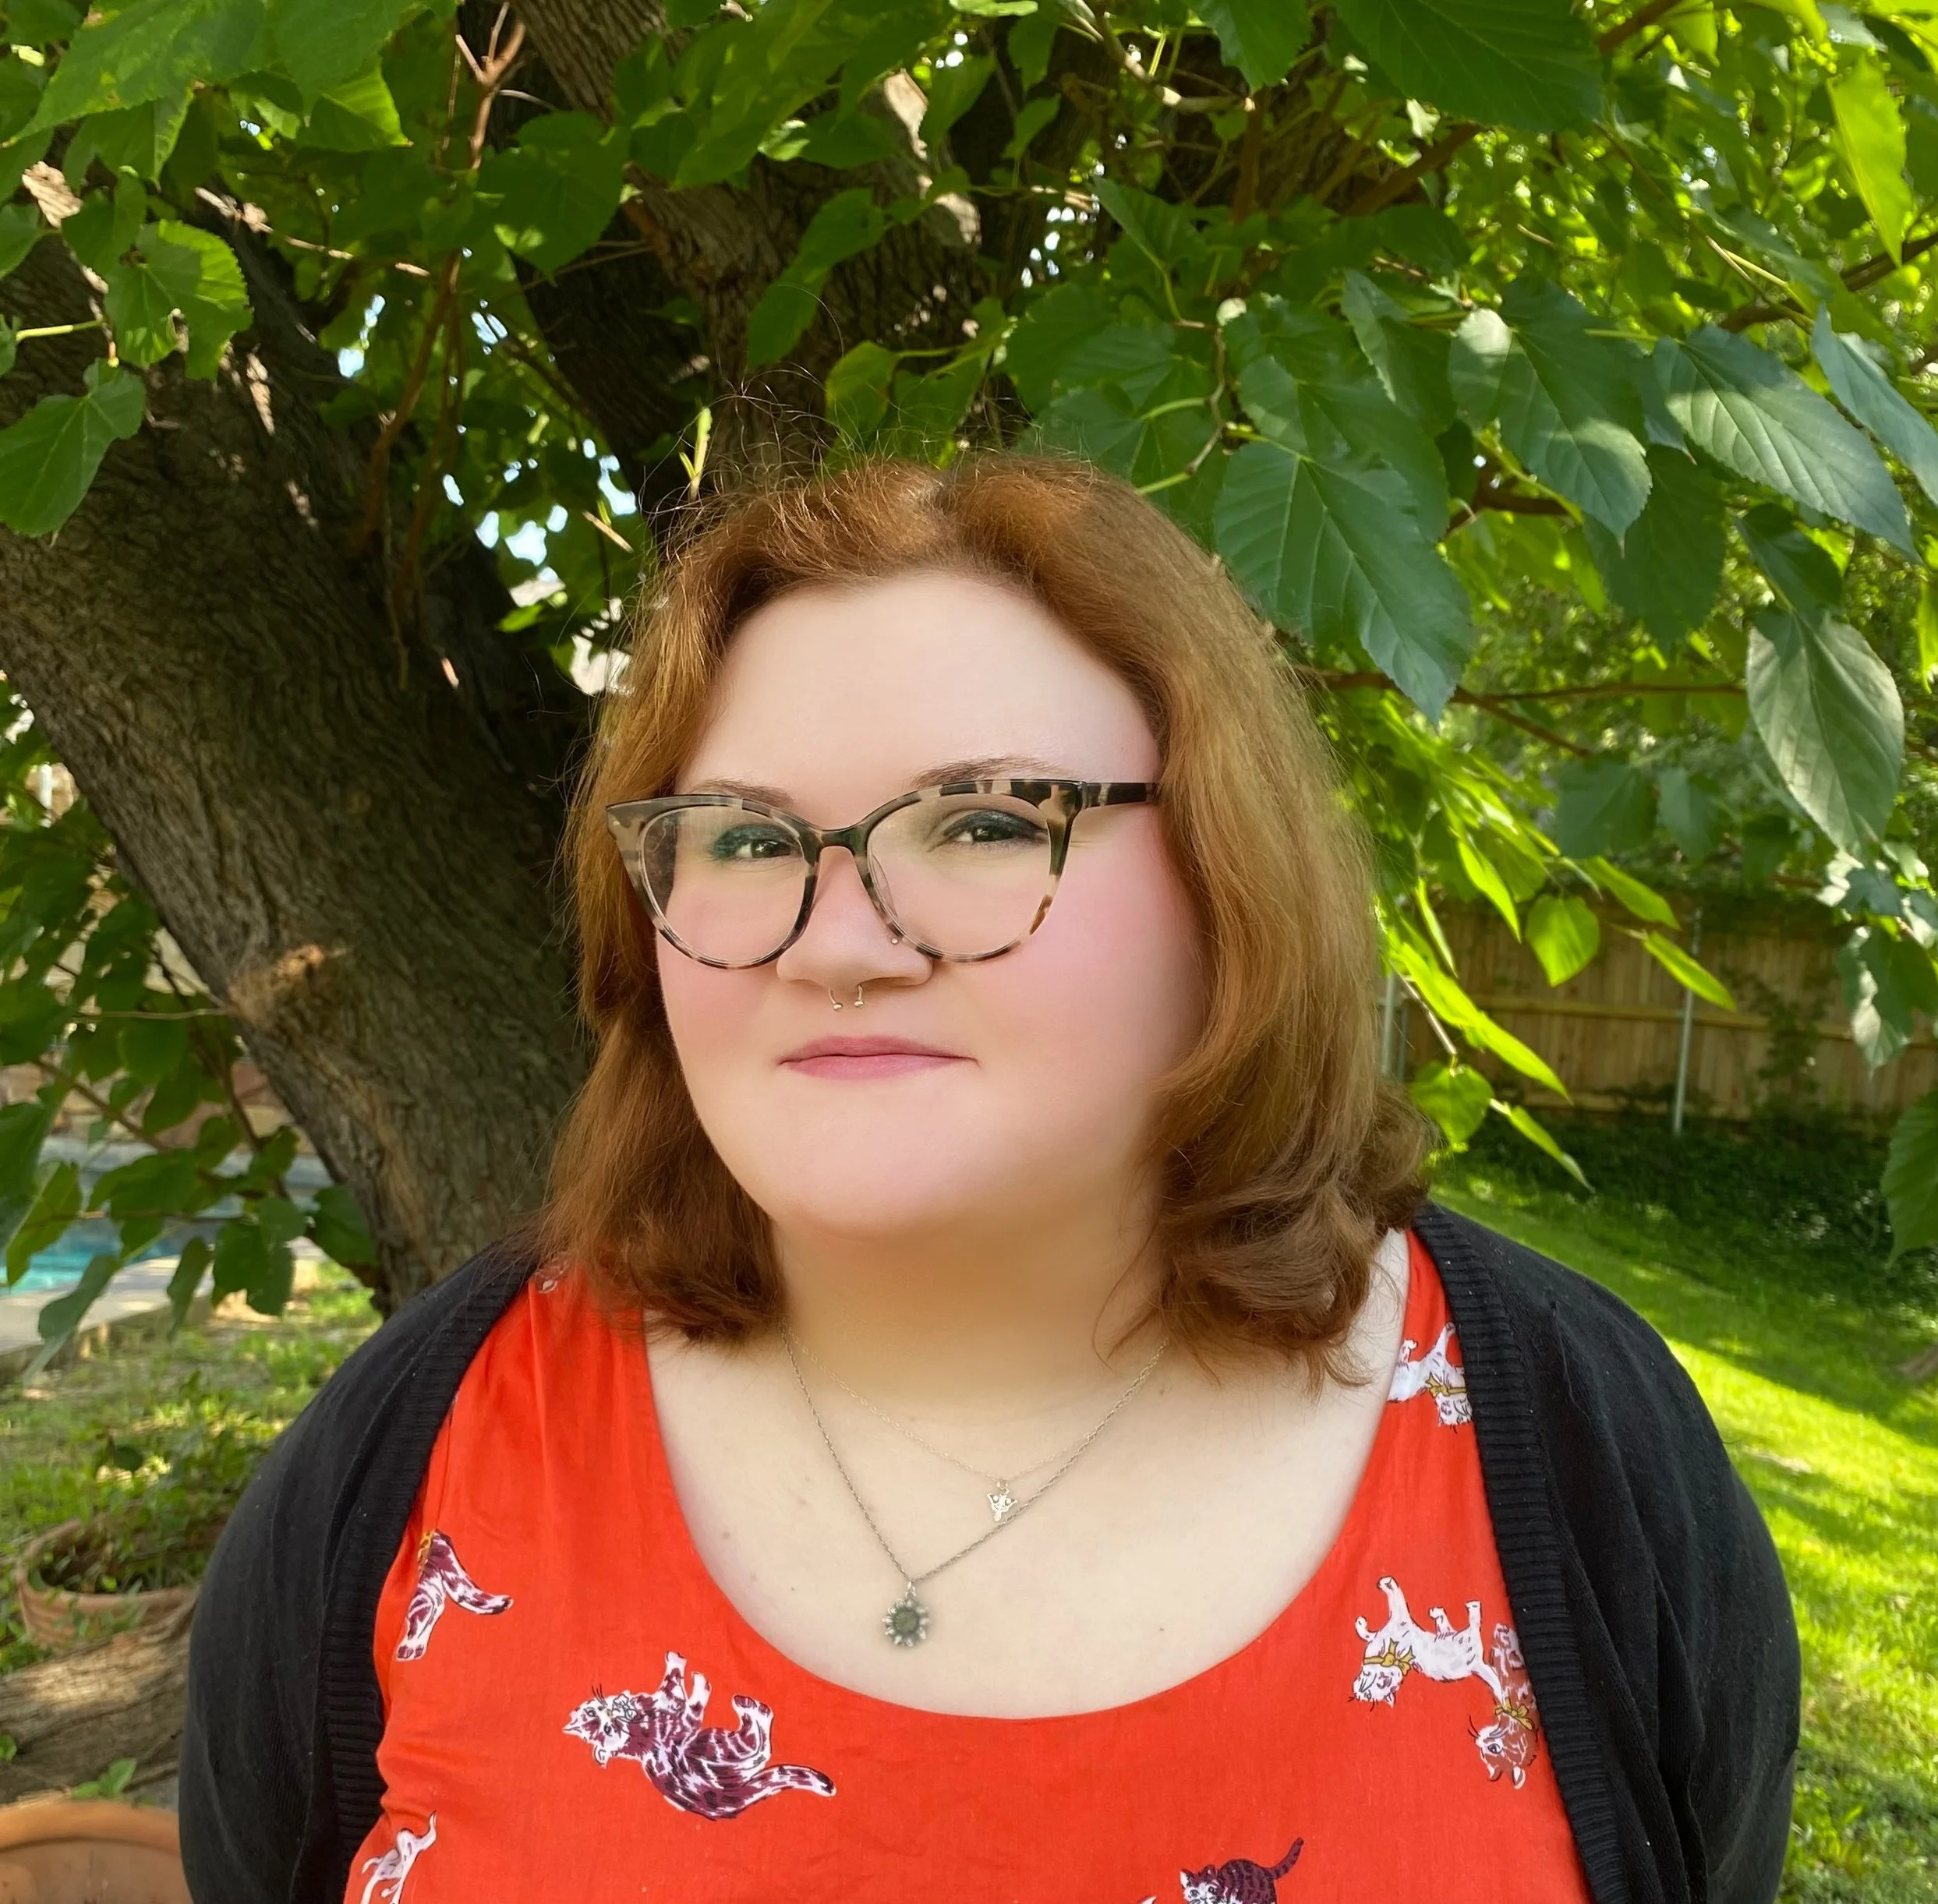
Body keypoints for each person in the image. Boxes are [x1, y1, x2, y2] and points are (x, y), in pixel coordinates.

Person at [179, 454, 1798, 1904]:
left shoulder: (1577, 1456)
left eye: (978, 823)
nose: (838, 943)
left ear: (1223, 882)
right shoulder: (417, 1454)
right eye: (741, 839)